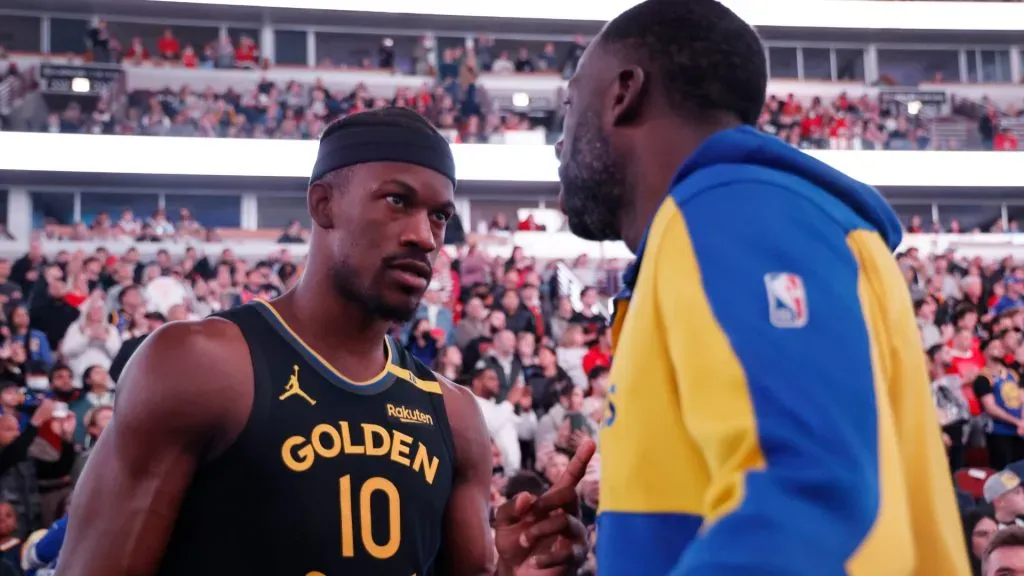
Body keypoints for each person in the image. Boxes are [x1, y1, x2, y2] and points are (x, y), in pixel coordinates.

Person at [60, 107, 591, 575]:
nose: (425, 237)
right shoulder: (199, 365)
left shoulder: (455, 416)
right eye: (396, 201)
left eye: (440, 215)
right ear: (323, 205)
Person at [554, 0, 967, 573]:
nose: (559, 141)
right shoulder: (721, 223)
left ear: (623, 93)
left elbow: (812, 500)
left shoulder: (732, 211)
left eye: (569, 107)